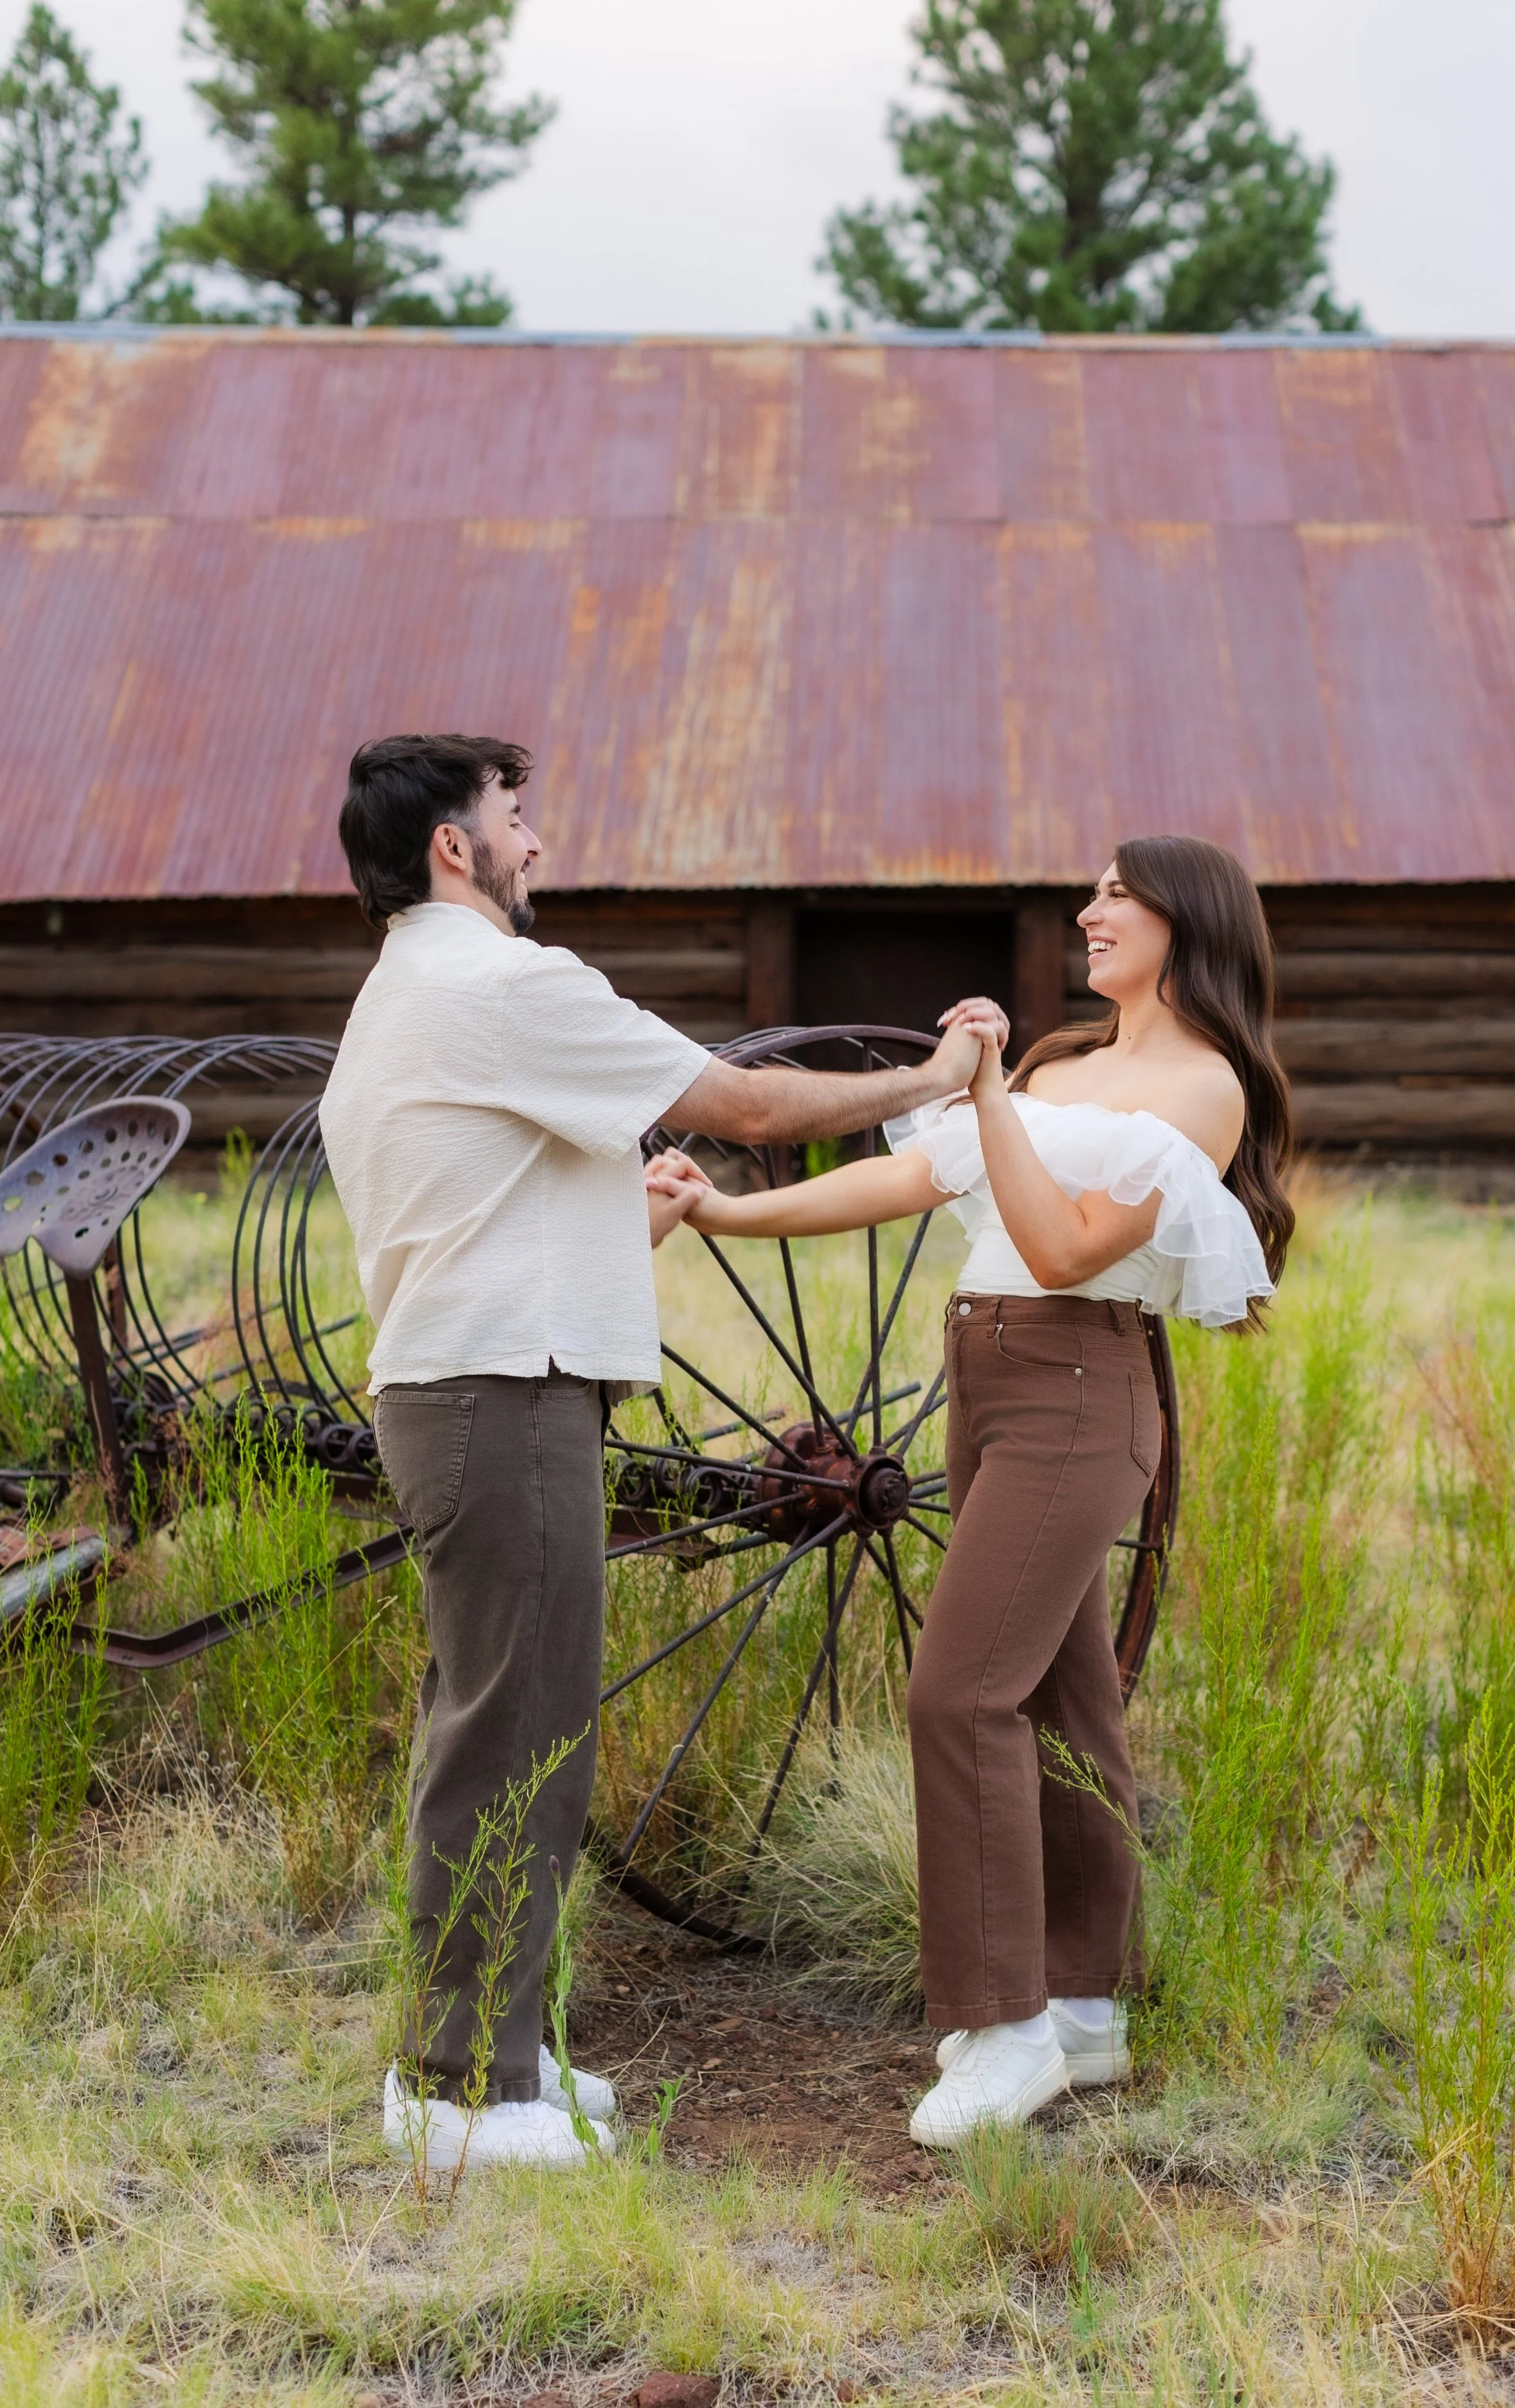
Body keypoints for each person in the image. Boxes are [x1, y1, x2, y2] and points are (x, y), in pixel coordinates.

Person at [318, 731, 989, 2172]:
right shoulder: (502, 982)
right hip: (503, 1403)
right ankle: (469, 2096)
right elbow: (744, 1104)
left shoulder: (400, 997)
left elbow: (471, 1222)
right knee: (516, 1740)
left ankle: (488, 2059)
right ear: (454, 846)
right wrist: (929, 1076)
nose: (533, 842)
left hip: (464, 1387)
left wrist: (637, 1223)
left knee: (492, 1721)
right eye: (514, 816)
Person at [664, 835, 1292, 2147]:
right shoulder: (1071, 1064)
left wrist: (992, 1092)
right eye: (1096, 891)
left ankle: (1002, 2030)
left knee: (957, 1692)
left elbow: (1063, 1247)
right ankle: (1084, 2006)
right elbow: (909, 1178)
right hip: (990, 1386)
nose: (1089, 910)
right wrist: (722, 1214)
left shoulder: (1201, 1090)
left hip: (1076, 1396)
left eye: (1119, 893)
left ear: (1189, 918)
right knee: (1062, 1697)